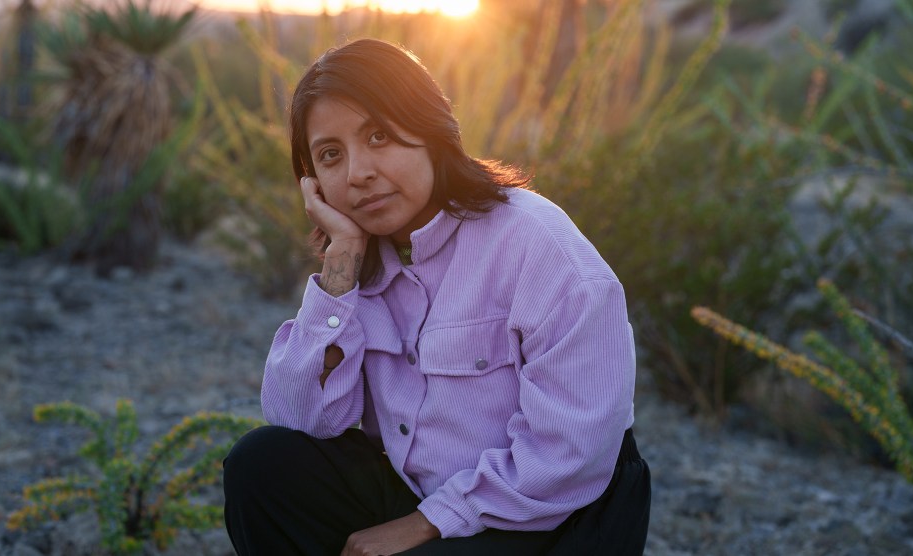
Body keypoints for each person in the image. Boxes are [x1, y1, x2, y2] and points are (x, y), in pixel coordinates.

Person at [223, 38, 651, 556]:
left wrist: (428, 523)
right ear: (312, 182)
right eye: (331, 155)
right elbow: (303, 420)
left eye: (378, 135)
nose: (358, 172)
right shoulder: (362, 258)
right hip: (421, 487)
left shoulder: (536, 245)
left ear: (430, 130)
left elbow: (571, 453)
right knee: (262, 465)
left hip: (550, 515)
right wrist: (341, 264)